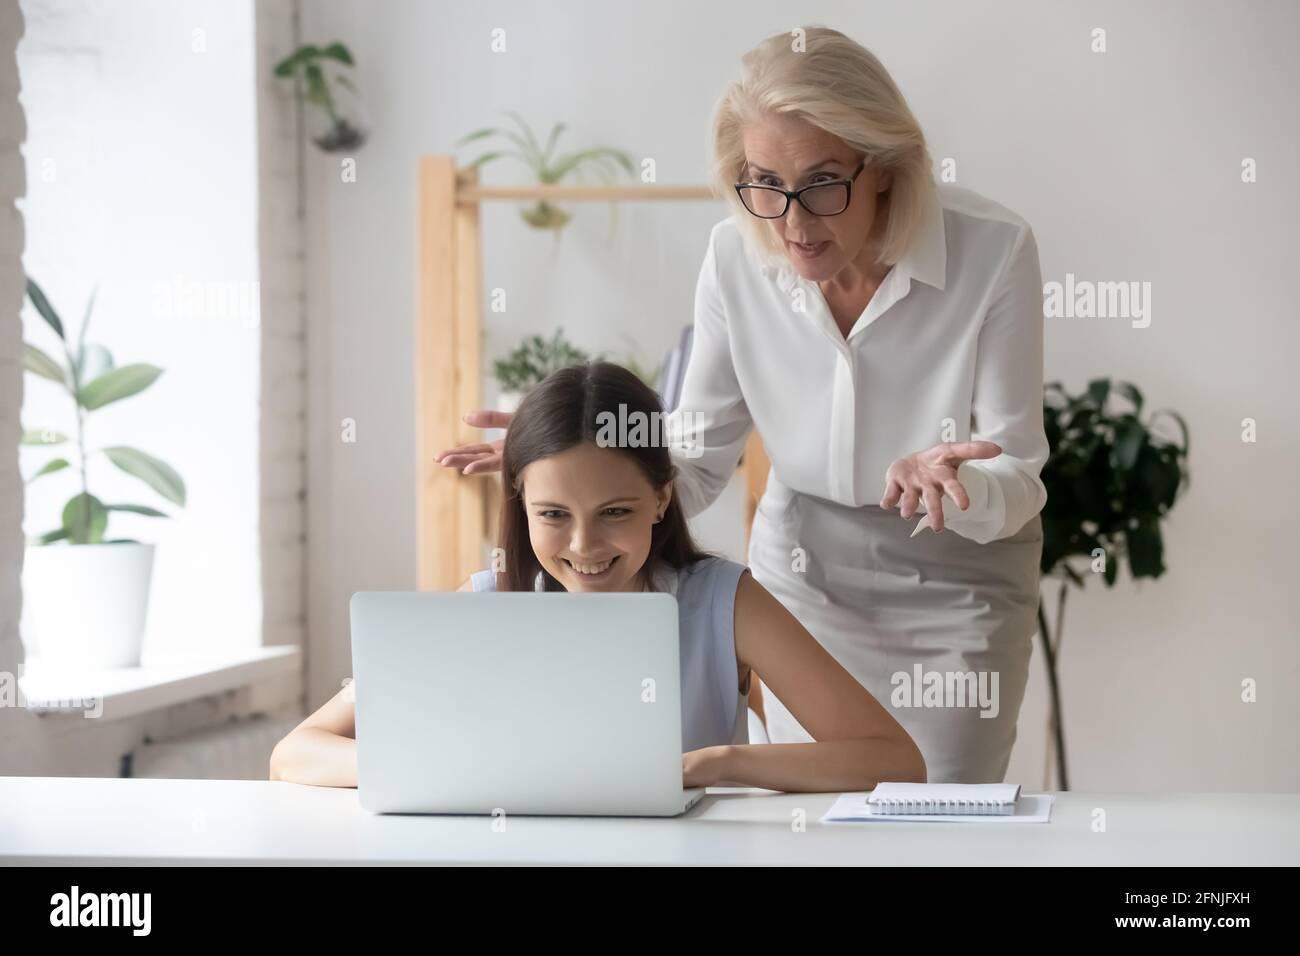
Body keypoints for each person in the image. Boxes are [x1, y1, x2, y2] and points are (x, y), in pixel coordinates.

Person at [437, 27, 1047, 783]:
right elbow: (692, 465)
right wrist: (583, 462)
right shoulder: (736, 256)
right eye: (764, 183)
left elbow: (1021, 474)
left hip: (956, 578)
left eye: (824, 182)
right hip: (804, 572)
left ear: (884, 166)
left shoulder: (993, 251)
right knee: (811, 807)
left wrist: (962, 483)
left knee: (942, 806)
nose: (791, 221)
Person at [272, 362, 925, 792]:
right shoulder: (485, 605)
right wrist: (442, 770)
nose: (584, 546)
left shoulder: (720, 602)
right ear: (520, 505)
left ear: (662, 500)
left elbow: (894, 759)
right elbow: (296, 753)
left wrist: (718, 764)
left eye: (615, 512)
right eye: (553, 514)